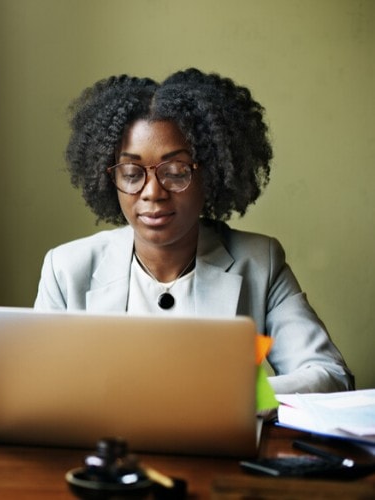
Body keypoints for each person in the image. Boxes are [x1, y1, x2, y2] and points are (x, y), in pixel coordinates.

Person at [34, 68, 353, 395]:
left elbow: (328, 375)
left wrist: (226, 395)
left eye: (175, 172)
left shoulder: (259, 262)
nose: (152, 192)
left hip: (216, 445)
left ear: (210, 175)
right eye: (131, 173)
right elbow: (37, 384)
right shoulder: (67, 268)